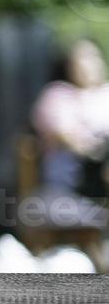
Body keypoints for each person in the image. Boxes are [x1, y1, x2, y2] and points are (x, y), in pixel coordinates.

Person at [32, 38, 109, 198]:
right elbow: (64, 136)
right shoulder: (57, 95)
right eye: (80, 59)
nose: (86, 64)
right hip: (73, 176)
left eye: (91, 57)